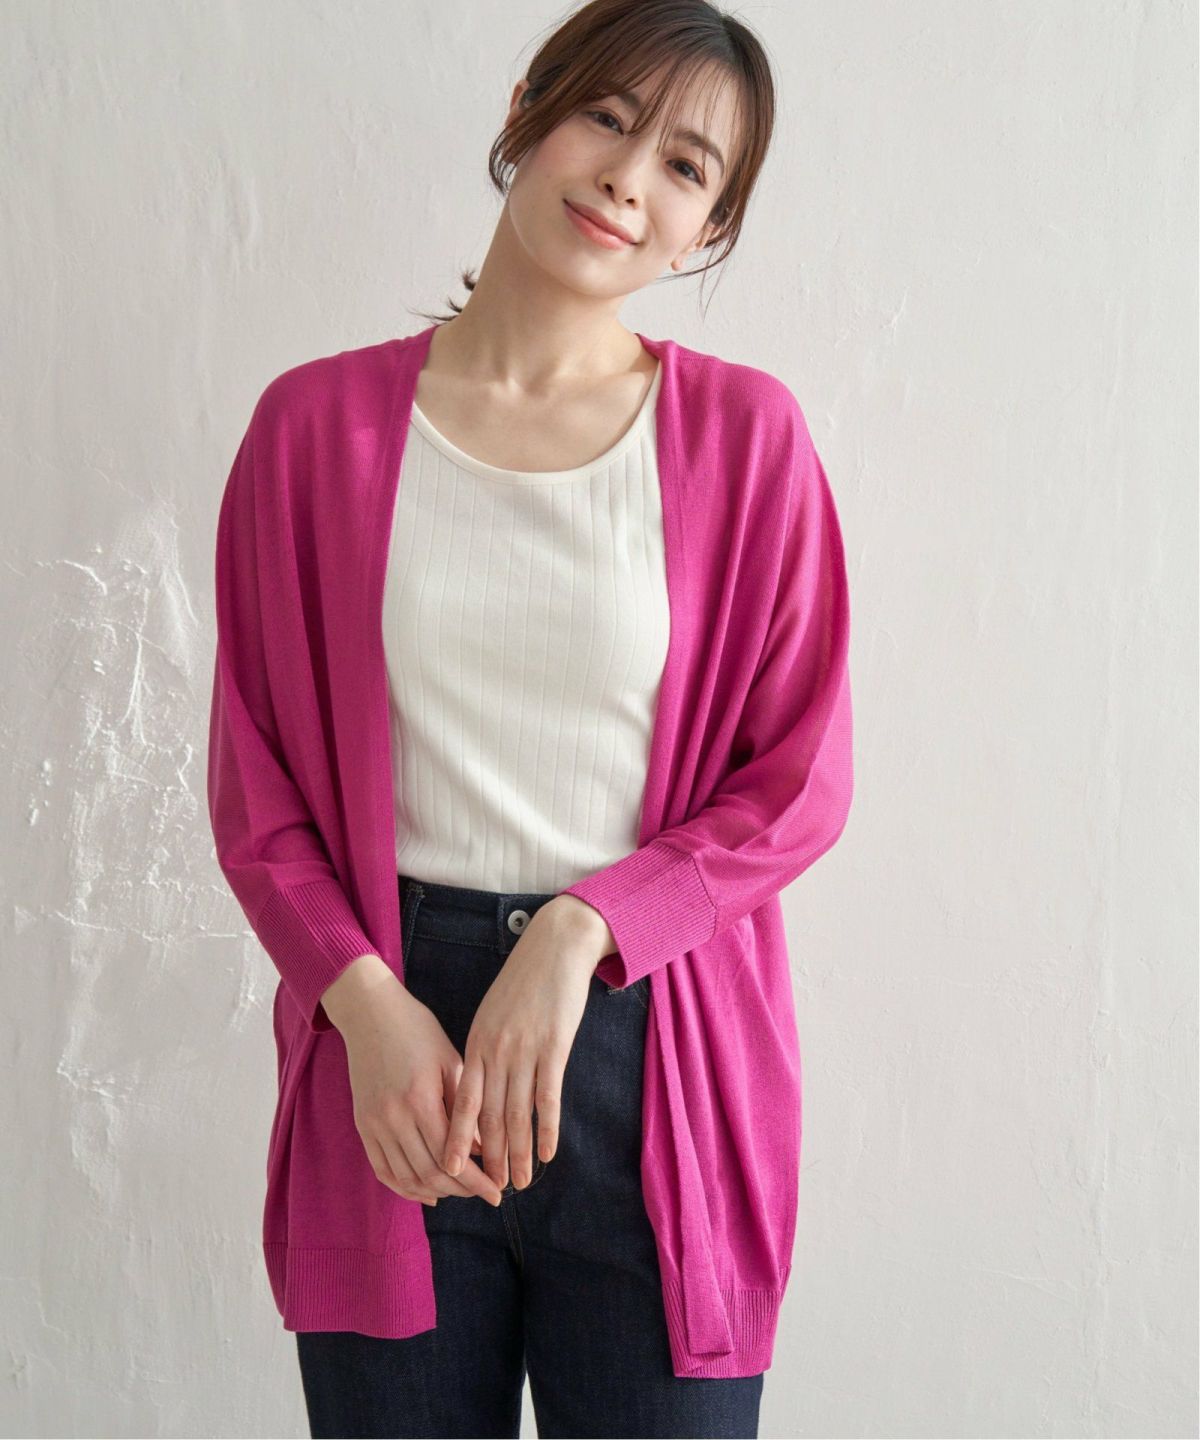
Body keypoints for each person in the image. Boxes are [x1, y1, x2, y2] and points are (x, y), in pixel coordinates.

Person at [206, 1, 854, 1435]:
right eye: (608, 119)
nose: (629, 178)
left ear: (709, 226)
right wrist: (361, 1001)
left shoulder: (749, 442)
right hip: (393, 1048)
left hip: (651, 1047)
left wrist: (581, 932)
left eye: (686, 166)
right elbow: (258, 791)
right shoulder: (312, 433)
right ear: (527, 111)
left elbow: (797, 783)